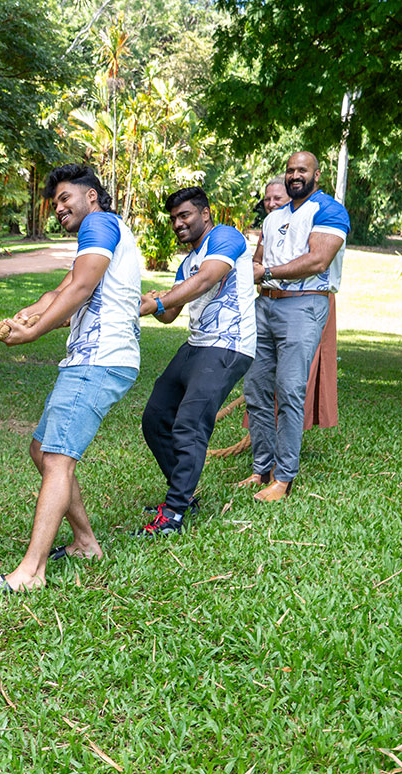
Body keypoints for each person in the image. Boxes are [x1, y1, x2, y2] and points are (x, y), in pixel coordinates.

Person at [0, 163, 141, 591]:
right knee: (42, 451)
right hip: (90, 359)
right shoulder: (99, 236)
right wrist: (31, 313)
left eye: (64, 198)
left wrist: (35, 331)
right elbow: (61, 291)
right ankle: (86, 543)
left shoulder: (101, 224)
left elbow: (81, 290)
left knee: (57, 459)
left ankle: (31, 571)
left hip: (100, 359)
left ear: (91, 196)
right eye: (55, 202)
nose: (58, 208)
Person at [136, 186, 255, 536]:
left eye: (184, 215)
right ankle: (183, 496)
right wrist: (154, 300)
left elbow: (207, 279)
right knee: (156, 418)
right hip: (197, 344)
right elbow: (171, 313)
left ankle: (173, 515)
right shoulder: (187, 262)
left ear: (205, 213)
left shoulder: (225, 236)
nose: (178, 223)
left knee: (189, 423)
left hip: (229, 345)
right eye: (174, 218)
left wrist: (158, 304)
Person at [240, 152, 349, 500]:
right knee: (256, 389)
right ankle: (261, 469)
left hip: (304, 306)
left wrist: (267, 272)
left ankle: (283, 478)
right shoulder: (274, 217)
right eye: (290, 170)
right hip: (266, 304)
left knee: (289, 390)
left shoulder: (329, 210)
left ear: (317, 175)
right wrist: (257, 269)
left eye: (302, 170)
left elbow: (318, 260)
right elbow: (258, 259)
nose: (295, 175)